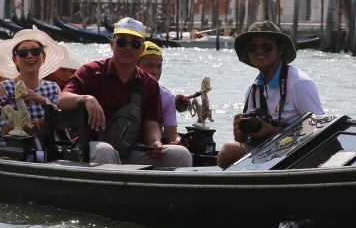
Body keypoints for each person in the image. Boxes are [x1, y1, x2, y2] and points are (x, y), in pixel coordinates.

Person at [57, 17, 191, 168]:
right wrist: (86, 99)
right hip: (92, 148)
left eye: (134, 44)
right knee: (106, 151)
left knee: (181, 154)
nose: (128, 47)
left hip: (132, 149)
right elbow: (62, 99)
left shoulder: (149, 83)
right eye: (122, 42)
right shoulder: (90, 72)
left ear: (141, 50)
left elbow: (151, 125)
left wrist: (155, 143)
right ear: (112, 45)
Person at [217, 21, 324, 169]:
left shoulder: (299, 83)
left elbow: (320, 130)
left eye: (267, 46)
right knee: (231, 150)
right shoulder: (253, 90)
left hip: (296, 154)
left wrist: (274, 133)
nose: (259, 51)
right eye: (253, 47)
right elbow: (248, 136)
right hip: (263, 152)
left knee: (230, 151)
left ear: (280, 49)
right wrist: (241, 135)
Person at [0, 29, 63, 136]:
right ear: (15, 60)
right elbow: (3, 130)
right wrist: (41, 123)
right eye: (23, 53)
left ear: (44, 57)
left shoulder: (53, 88)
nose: (29, 56)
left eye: (35, 51)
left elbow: (62, 121)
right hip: (18, 150)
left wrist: (42, 100)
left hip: (49, 148)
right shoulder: (6, 88)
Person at [137, 41, 180, 145]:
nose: (155, 71)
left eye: (159, 66)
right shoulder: (123, 87)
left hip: (152, 146)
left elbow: (172, 135)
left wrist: (178, 141)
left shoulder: (167, 96)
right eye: (150, 65)